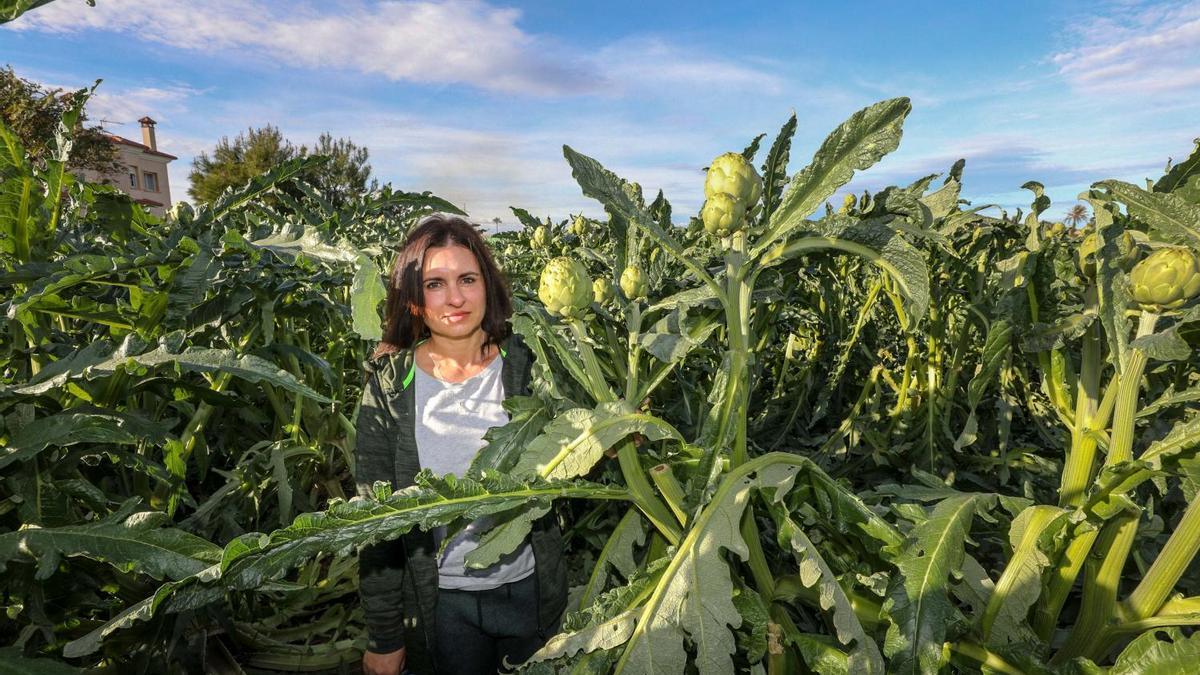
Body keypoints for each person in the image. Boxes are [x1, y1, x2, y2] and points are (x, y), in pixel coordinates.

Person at [355, 214, 567, 674]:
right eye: (435, 283)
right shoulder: (390, 387)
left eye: (467, 279)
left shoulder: (530, 362)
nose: (454, 298)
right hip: (443, 605)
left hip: (530, 592)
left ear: (487, 285)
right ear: (412, 297)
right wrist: (385, 636)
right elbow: (376, 523)